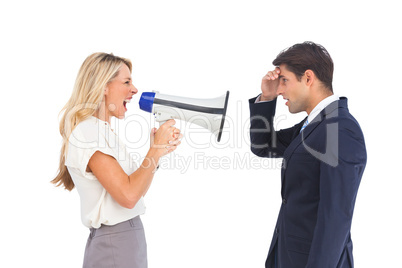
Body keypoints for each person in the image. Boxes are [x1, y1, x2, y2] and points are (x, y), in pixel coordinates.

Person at [52, 52, 182, 268]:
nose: (135, 89)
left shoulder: (101, 132)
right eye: (127, 82)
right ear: (103, 86)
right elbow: (129, 197)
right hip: (117, 241)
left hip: (126, 239)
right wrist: (155, 150)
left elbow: (137, 191)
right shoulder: (88, 132)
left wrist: (155, 153)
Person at [249, 42, 367, 268]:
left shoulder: (341, 130)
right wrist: (266, 98)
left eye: (284, 81)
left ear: (308, 78)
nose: (280, 89)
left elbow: (335, 218)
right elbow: (263, 145)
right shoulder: (315, 124)